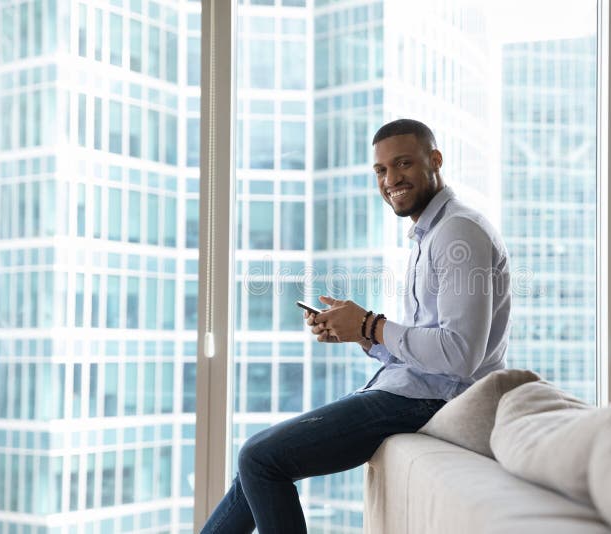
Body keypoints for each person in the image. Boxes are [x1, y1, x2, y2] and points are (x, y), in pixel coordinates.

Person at [201, 118, 512, 533]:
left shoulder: (458, 231)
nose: (390, 179)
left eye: (402, 164)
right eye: (381, 171)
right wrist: (362, 334)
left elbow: (459, 354)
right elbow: (427, 339)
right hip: (414, 390)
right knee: (253, 469)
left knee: (260, 459)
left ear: (434, 160)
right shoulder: (430, 233)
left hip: (430, 400)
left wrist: (370, 324)